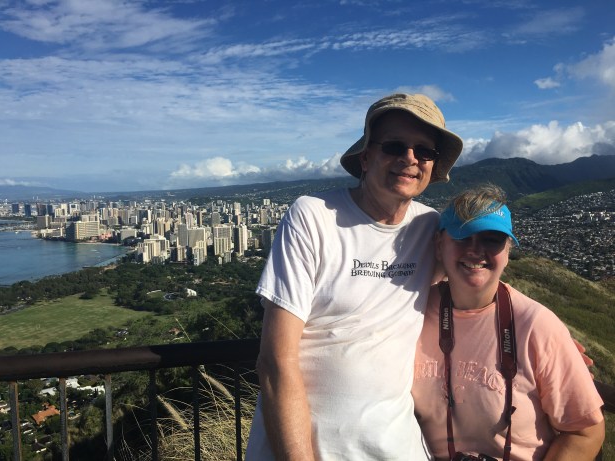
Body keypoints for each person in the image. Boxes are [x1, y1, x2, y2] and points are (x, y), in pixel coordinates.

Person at [245, 93, 464, 460]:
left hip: (398, 448)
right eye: (394, 146)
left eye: (424, 151)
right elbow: (274, 362)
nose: (410, 158)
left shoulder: (430, 227)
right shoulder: (314, 216)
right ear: (365, 157)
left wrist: (536, 327)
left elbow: (477, 276)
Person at [412, 184, 605, 461]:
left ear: (507, 252)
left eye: (492, 239)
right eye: (462, 236)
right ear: (440, 246)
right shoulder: (411, 311)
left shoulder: (536, 326)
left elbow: (586, 432)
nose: (475, 250)